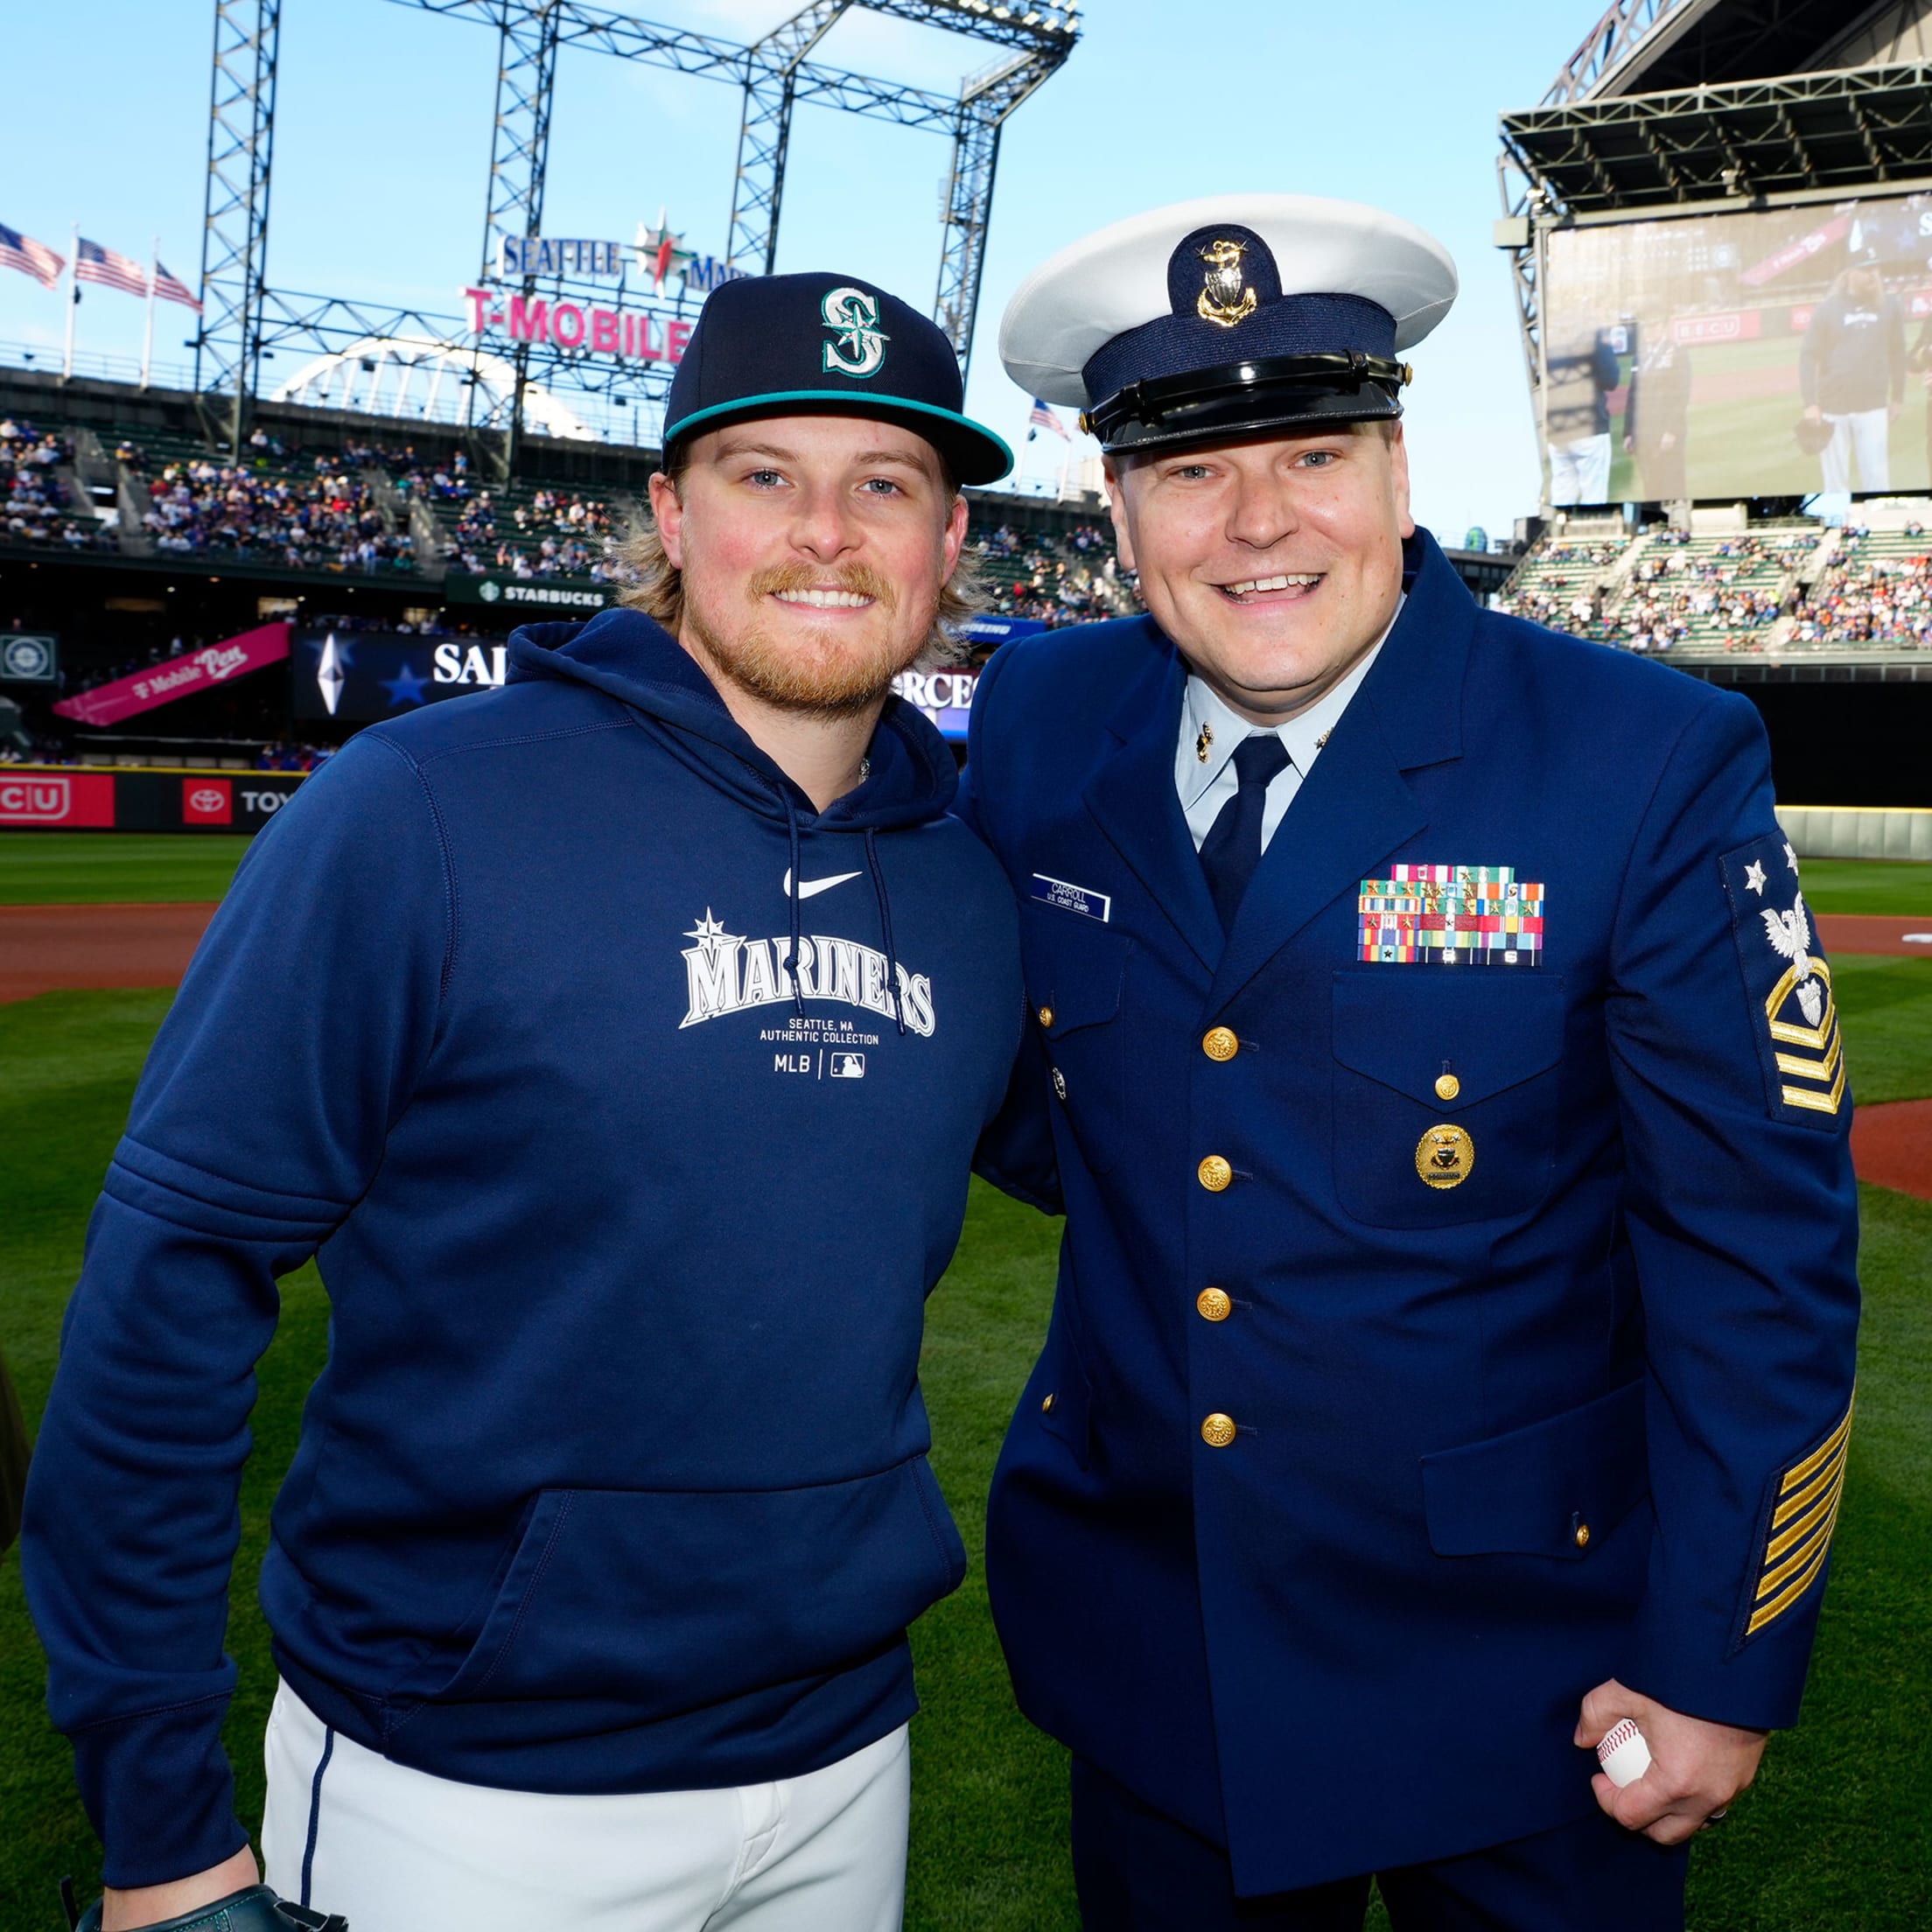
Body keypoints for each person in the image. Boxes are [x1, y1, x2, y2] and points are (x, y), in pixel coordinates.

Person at [23, 271, 1021, 1932]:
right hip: (467, 1783)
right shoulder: (418, 809)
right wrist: (162, 1828)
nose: (827, 531)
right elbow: (167, 1292)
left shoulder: (973, 885)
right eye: (764, 474)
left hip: (850, 1748)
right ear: (667, 512)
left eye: (886, 485)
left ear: (945, 543)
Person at [962, 194, 1860, 1930]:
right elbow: (1037, 1089)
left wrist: (1721, 1658)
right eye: (1191, 472)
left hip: (1528, 1674)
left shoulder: (1642, 759)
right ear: (1117, 503)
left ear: (1396, 465)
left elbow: (1758, 1258)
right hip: (1162, 1647)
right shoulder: (1042, 719)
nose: (1259, 523)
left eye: (1311, 452)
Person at [1800, 249, 1905, 494]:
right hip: (1832, 408)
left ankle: (1879, 529)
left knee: (1877, 479)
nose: (1873, 275)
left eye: (1876, 269)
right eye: (1866, 270)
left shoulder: (1889, 305)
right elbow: (1808, 355)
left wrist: (1898, 397)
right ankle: (1836, 530)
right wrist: (1810, 403)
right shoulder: (1828, 308)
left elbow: (1898, 353)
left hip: (1873, 406)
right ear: (1850, 274)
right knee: (1835, 484)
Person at [1544, 322, 1622, 507]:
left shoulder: (1553, 338)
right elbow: (1611, 380)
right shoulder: (1595, 338)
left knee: (1563, 495)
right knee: (1594, 495)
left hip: (1557, 431)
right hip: (1589, 428)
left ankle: (1557, 533)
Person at [1621, 317, 1691, 503]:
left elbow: (1681, 394)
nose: (1649, 331)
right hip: (1643, 434)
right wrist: (1628, 432)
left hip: (1665, 433)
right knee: (1651, 487)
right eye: (1646, 327)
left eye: (1653, 326)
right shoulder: (1640, 355)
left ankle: (1677, 525)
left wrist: (1672, 430)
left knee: (1672, 485)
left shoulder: (1676, 352)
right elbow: (1632, 395)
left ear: (1662, 327)